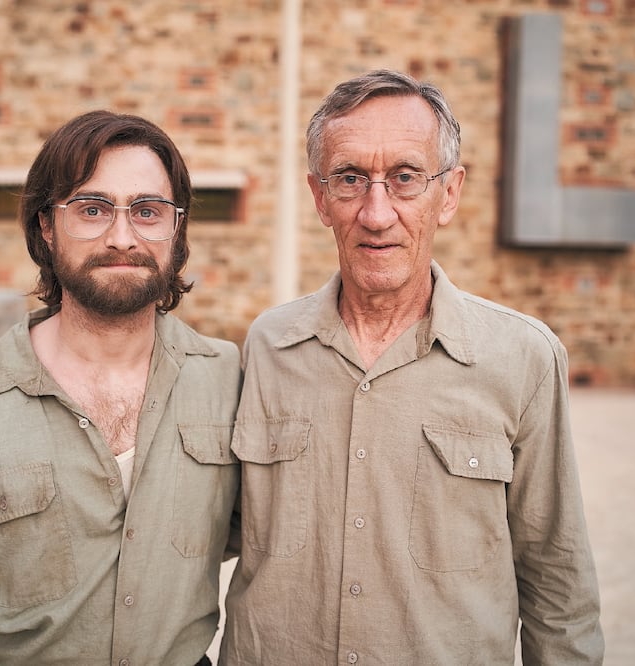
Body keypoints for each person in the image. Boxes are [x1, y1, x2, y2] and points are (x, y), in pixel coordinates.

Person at [220, 69, 604, 664]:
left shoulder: (523, 357)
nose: (377, 213)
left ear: (448, 193)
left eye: (405, 179)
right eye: (350, 179)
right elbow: (208, 528)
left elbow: (557, 581)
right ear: (320, 197)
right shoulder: (269, 346)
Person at [0, 110, 241, 665]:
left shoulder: (230, 381)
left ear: (176, 231)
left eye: (148, 211)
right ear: (45, 227)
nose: (122, 236)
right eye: (92, 209)